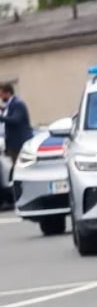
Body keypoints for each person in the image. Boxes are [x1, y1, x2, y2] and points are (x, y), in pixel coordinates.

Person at [0, 82, 31, 211]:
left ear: (7, 92)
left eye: (1, 93)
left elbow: (15, 119)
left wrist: (1, 117)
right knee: (15, 171)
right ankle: (15, 198)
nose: (0, 96)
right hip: (12, 144)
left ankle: (18, 198)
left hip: (19, 143)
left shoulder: (18, 104)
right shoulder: (10, 105)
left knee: (18, 171)